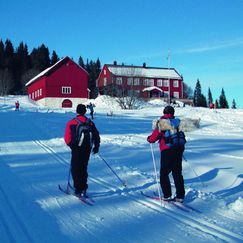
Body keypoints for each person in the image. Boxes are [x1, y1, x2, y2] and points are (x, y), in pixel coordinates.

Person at [147, 105, 185, 202]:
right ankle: (180, 196)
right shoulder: (178, 122)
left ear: (164, 112)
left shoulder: (162, 123)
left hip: (167, 150)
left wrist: (149, 139)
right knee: (177, 173)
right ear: (173, 113)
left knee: (164, 173)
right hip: (179, 149)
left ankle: (167, 195)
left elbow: (154, 137)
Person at [64, 104, 100, 196]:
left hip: (77, 148)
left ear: (77, 111)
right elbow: (96, 135)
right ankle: (83, 187)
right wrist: (96, 147)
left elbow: (67, 137)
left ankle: (78, 189)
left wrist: (71, 145)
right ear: (85, 111)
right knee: (83, 168)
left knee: (75, 168)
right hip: (87, 148)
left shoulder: (71, 122)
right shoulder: (90, 122)